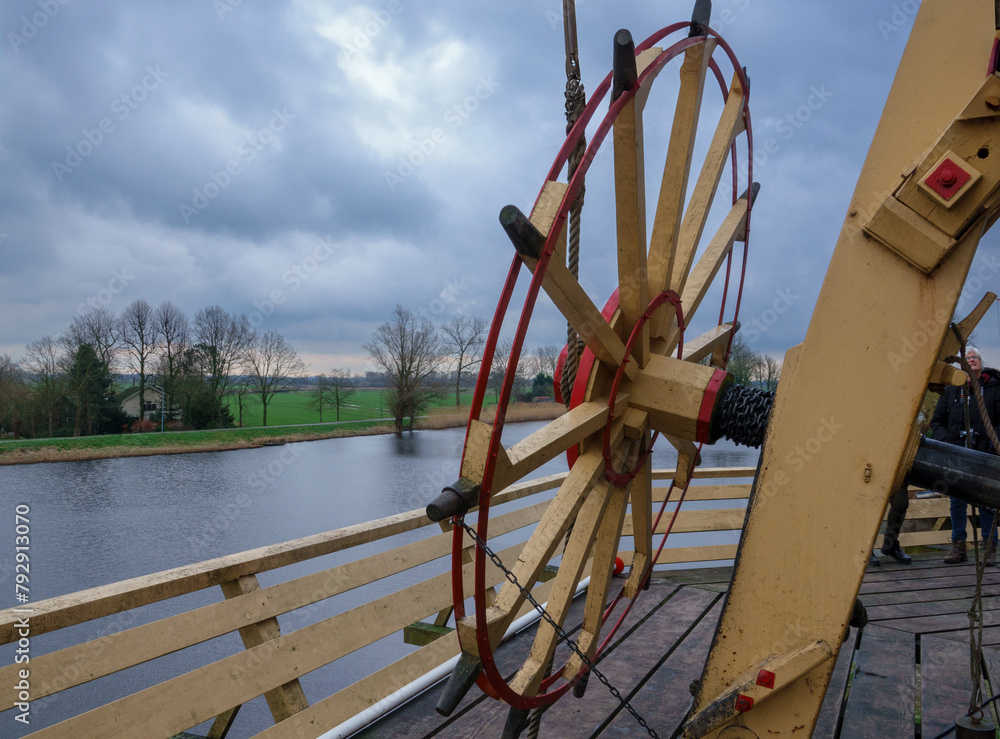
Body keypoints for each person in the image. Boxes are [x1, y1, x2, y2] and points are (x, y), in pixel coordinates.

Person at [931, 346, 1000, 565]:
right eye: (967, 358)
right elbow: (937, 421)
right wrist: (946, 441)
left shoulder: (994, 388)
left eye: (974, 358)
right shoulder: (952, 390)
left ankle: (989, 547)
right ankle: (958, 547)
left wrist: (990, 442)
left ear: (981, 362)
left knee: (986, 501)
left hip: (983, 454)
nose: (970, 360)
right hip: (957, 452)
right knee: (957, 500)